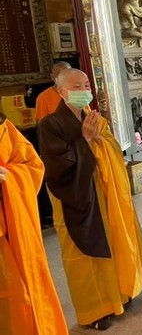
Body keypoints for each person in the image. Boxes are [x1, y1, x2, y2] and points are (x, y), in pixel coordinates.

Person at [38, 69, 142, 331]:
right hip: (75, 197)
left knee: (111, 244)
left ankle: (119, 297)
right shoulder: (50, 125)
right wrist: (86, 141)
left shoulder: (93, 118)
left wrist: (98, 141)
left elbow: (112, 148)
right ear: (61, 92)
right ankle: (93, 312)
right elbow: (56, 167)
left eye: (86, 84)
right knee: (82, 257)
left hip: (103, 194)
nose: (84, 89)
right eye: (76, 85)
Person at [0, 113, 68, 334]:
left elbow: (33, 166)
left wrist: (10, 177)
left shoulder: (4, 128)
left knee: (22, 298)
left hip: (13, 227)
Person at [34, 61, 73, 229]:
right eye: (61, 75)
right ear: (53, 78)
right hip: (59, 152)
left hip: (79, 146)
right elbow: (42, 127)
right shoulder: (44, 98)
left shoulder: (76, 92)